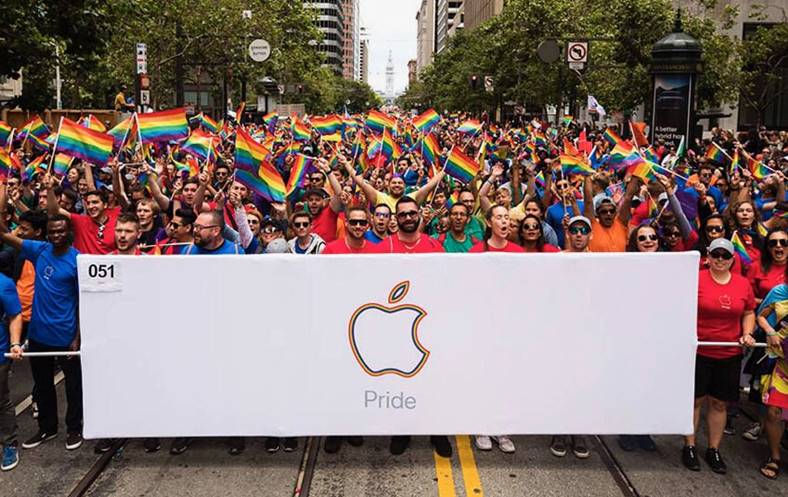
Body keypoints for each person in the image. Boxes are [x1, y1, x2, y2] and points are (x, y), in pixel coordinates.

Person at [0, 214, 83, 452]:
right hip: (38, 334)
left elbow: (81, 301)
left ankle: (74, 428)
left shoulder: (77, 260)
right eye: (52, 232)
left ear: (69, 232)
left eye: (60, 231)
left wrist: (77, 337)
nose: (56, 235)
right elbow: (5, 234)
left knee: (73, 387)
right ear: (46, 233)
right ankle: (48, 428)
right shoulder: (39, 250)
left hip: (67, 335)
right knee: (43, 385)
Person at [375, 197, 451, 458]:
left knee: (433, 382)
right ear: (396, 218)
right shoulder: (385, 246)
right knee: (401, 381)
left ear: (419, 215)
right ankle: (402, 431)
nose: (408, 218)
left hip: (429, 323)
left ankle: (438, 431)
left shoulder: (433, 246)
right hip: (397, 326)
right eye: (403, 214)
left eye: (411, 213)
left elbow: (444, 283)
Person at [683, 238, 756, 474]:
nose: (720, 260)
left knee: (719, 402)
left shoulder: (743, 284)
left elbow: (748, 312)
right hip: (699, 350)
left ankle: (713, 448)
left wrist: (747, 333)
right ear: (708, 256)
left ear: (732, 259)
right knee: (695, 400)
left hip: (728, 351)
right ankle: (690, 445)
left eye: (725, 255)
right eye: (716, 255)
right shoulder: (696, 280)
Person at [755, 284, 788, 479]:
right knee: (773, 411)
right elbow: (760, 316)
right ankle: (775, 457)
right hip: (781, 365)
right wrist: (770, 330)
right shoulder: (779, 292)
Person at [47, 174, 121, 255]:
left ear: (105, 205)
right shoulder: (80, 221)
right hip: (82, 266)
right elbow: (55, 210)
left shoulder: (117, 224)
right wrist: (49, 188)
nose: (91, 206)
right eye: (88, 203)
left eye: (95, 202)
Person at [0, 262, 23, 471]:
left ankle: (9, 442)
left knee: (0, 399)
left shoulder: (3, 283)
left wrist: (15, 343)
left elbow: (15, 315)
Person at [583, 174, 637, 253]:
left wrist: (636, 172)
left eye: (611, 211)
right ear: (597, 214)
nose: (608, 214)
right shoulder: (592, 225)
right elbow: (588, 201)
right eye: (604, 212)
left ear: (615, 213)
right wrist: (587, 174)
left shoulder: (621, 224)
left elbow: (628, 197)